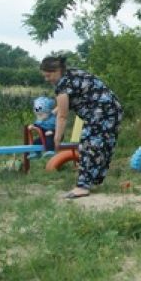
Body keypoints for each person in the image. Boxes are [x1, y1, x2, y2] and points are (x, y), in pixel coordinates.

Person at [40, 56, 123, 199]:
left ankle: (82, 187)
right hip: (113, 109)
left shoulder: (62, 85)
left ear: (57, 71)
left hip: (100, 113)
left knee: (88, 146)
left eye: (48, 75)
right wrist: (49, 115)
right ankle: (95, 181)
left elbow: (63, 116)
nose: (47, 79)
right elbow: (62, 106)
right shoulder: (72, 74)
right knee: (104, 145)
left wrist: (57, 138)